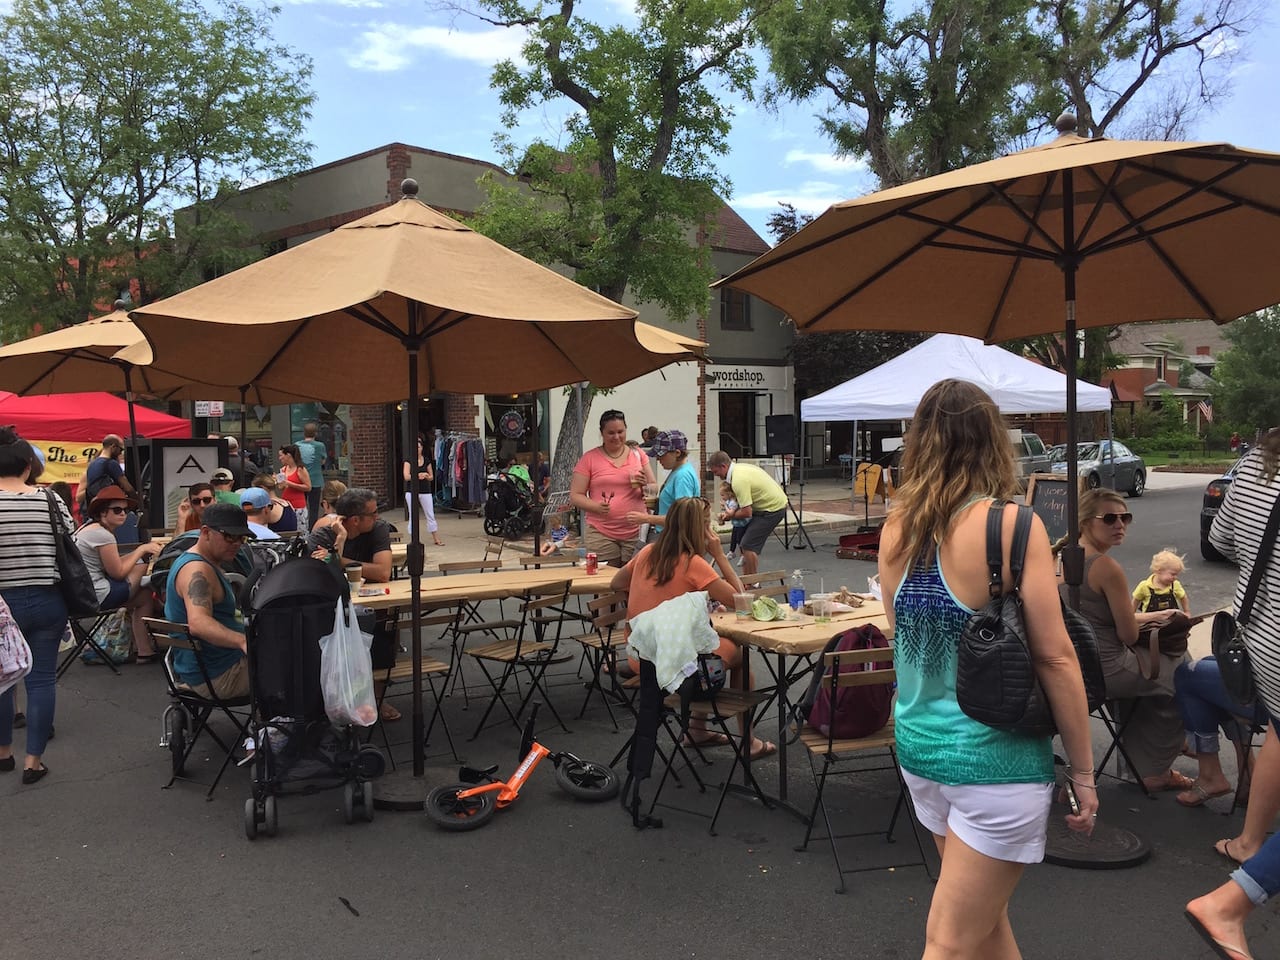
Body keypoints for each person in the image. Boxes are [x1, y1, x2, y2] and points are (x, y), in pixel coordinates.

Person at [877, 379, 1097, 959]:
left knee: (986, 924)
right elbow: (1055, 655)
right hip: (994, 764)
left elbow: (901, 632)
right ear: (994, 440)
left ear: (918, 442)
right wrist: (1084, 771)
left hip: (920, 751)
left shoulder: (897, 528)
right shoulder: (1013, 525)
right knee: (950, 942)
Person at [1186, 428, 1280, 960]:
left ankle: (1249, 841)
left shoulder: (1254, 463)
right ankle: (1231, 903)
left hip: (1259, 639)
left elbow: (1220, 542)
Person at [1055, 488, 1189, 792]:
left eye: (1125, 517)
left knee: (1150, 684)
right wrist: (1156, 619)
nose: (1120, 525)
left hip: (1071, 665)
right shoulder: (1105, 567)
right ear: (1086, 521)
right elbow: (1126, 634)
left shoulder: (1057, 558)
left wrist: (1151, 616)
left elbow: (1100, 618)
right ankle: (1181, 750)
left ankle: (1148, 765)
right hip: (1107, 669)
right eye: (1110, 518)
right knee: (1186, 672)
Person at [610, 497, 766, 755]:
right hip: (671, 662)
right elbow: (742, 601)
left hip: (641, 655)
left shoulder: (648, 552)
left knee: (707, 648)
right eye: (708, 524)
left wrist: (651, 597)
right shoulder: (693, 563)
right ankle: (749, 742)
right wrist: (719, 554)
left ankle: (698, 730)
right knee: (739, 654)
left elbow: (616, 583)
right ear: (699, 530)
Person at [0, 428, 73, 785]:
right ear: (29, 466)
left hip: (2, 604)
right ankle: (33, 761)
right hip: (48, 598)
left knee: (2, 680)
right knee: (42, 680)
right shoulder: (50, 500)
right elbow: (69, 542)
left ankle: (2, 754)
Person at [309, 488, 398, 721]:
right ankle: (336, 698)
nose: (378, 517)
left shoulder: (378, 529)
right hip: (329, 605)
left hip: (370, 602)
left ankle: (375, 697)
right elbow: (317, 573)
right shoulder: (324, 532)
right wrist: (339, 541)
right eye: (374, 513)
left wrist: (339, 560)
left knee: (384, 625)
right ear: (356, 519)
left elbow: (383, 572)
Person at [163, 503, 251, 700]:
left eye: (241, 537)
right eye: (229, 536)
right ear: (206, 532)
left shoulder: (196, 562)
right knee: (297, 663)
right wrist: (242, 641)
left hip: (199, 670)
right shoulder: (197, 570)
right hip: (219, 676)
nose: (236, 543)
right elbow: (198, 623)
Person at [73, 485, 163, 662]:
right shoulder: (102, 536)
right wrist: (142, 550)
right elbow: (118, 573)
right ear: (102, 512)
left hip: (84, 593)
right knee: (141, 567)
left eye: (126, 510)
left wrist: (139, 553)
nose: (123, 514)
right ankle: (162, 608)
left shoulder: (89, 529)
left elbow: (114, 566)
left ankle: (144, 651)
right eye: (117, 510)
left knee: (144, 596)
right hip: (98, 595)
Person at [569, 409, 654, 565]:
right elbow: (575, 495)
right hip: (601, 532)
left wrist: (644, 484)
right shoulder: (589, 458)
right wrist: (595, 506)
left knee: (631, 581)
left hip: (635, 531)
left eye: (620, 432)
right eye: (611, 433)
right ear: (602, 433)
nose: (617, 437)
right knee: (606, 583)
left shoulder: (638, 455)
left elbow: (653, 488)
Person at [707, 450, 787, 576]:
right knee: (744, 544)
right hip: (765, 505)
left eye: (716, 472)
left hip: (772, 509)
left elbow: (746, 512)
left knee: (748, 545)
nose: (716, 475)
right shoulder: (740, 468)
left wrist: (729, 516)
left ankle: (753, 583)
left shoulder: (738, 480)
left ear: (724, 466)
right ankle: (746, 580)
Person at [625, 429, 699, 535]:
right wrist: (658, 504)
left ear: (677, 453)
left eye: (661, 455)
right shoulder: (678, 471)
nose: (658, 459)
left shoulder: (682, 477)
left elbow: (682, 518)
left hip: (674, 538)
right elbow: (673, 505)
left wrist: (646, 518)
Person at [403, 435, 444, 547]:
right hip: (412, 491)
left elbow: (431, 476)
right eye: (415, 447)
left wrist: (426, 476)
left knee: (430, 513)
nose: (417, 449)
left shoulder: (426, 460)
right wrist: (417, 475)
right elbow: (406, 476)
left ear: (422, 448)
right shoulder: (408, 460)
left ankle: (436, 537)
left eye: (419, 447)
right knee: (413, 514)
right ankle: (413, 539)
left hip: (425, 490)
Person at [1133, 549, 1191, 615]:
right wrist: (1131, 615)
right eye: (1173, 574)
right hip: (1150, 621)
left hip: (1172, 620)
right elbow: (1136, 601)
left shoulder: (1175, 585)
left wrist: (1186, 611)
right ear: (1159, 570)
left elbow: (1183, 597)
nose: (1175, 577)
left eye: (1177, 574)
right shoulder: (1144, 586)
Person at [84, 434, 134, 500]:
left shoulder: (92, 464)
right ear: (113, 446)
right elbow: (128, 488)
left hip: (96, 503)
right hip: (109, 502)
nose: (120, 453)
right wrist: (137, 500)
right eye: (120, 449)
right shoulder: (111, 463)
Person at [296, 422, 327, 525]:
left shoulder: (297, 445)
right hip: (315, 480)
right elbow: (323, 461)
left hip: (300, 481)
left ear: (304, 433)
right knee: (314, 508)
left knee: (301, 506)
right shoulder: (320, 445)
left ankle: (302, 526)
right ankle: (312, 528)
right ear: (315, 433)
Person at [276, 444, 311, 531]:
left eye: (281, 455)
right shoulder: (283, 469)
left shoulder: (300, 469)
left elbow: (308, 487)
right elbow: (281, 487)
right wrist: (277, 481)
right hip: (287, 504)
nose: (280, 458)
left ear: (288, 455)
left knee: (300, 531)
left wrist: (290, 483)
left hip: (298, 505)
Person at [717, 481, 750, 563]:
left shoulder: (733, 503)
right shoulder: (728, 502)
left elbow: (731, 513)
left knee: (739, 539)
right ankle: (732, 552)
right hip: (736, 524)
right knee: (733, 538)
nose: (722, 497)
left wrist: (725, 506)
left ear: (729, 494)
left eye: (723, 495)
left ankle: (743, 555)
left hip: (741, 524)